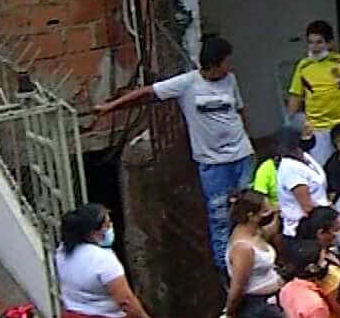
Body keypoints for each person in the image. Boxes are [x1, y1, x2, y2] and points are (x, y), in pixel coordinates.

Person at [96, 34, 254, 271]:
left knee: (249, 210)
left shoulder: (230, 80)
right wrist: (111, 107)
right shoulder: (187, 83)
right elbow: (147, 93)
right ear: (215, 63)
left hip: (241, 155)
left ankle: (252, 259)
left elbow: (240, 111)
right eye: (226, 61)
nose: (228, 66)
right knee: (220, 217)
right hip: (213, 163)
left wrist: (249, 141)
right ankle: (227, 269)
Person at [53, 203, 157, 318]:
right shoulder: (103, 260)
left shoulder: (63, 251)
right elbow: (125, 300)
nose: (111, 229)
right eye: (107, 225)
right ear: (94, 232)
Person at [285, 20, 340, 165]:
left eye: (319, 42)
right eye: (311, 43)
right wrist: (290, 125)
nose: (314, 47)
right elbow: (295, 96)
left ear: (329, 43)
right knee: (322, 167)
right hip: (317, 127)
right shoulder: (303, 66)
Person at [223, 189, 285, 318]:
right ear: (251, 216)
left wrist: (276, 214)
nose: (268, 212)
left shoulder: (255, 232)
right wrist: (229, 312)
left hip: (273, 299)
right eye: (265, 210)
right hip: (256, 306)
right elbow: (237, 287)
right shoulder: (243, 248)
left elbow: (270, 231)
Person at [274, 127, 330, 237]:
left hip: (321, 219)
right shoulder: (290, 167)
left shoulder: (305, 157)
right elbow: (307, 207)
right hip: (302, 229)